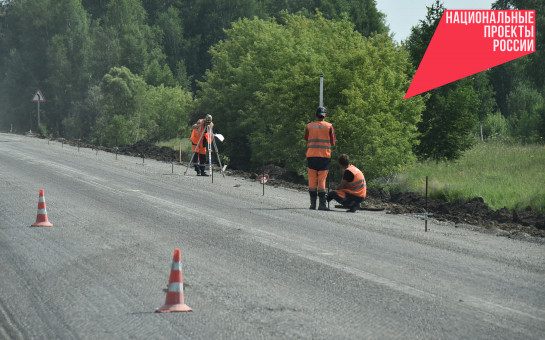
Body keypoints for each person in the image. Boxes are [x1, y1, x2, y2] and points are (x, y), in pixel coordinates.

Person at [304, 106, 336, 210]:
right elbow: (333, 142)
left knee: (312, 180)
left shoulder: (309, 126)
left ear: (315, 115)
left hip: (311, 156)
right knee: (322, 180)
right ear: (325, 115)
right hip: (324, 157)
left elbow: (306, 139)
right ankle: (322, 205)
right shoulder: (329, 126)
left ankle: (312, 204)